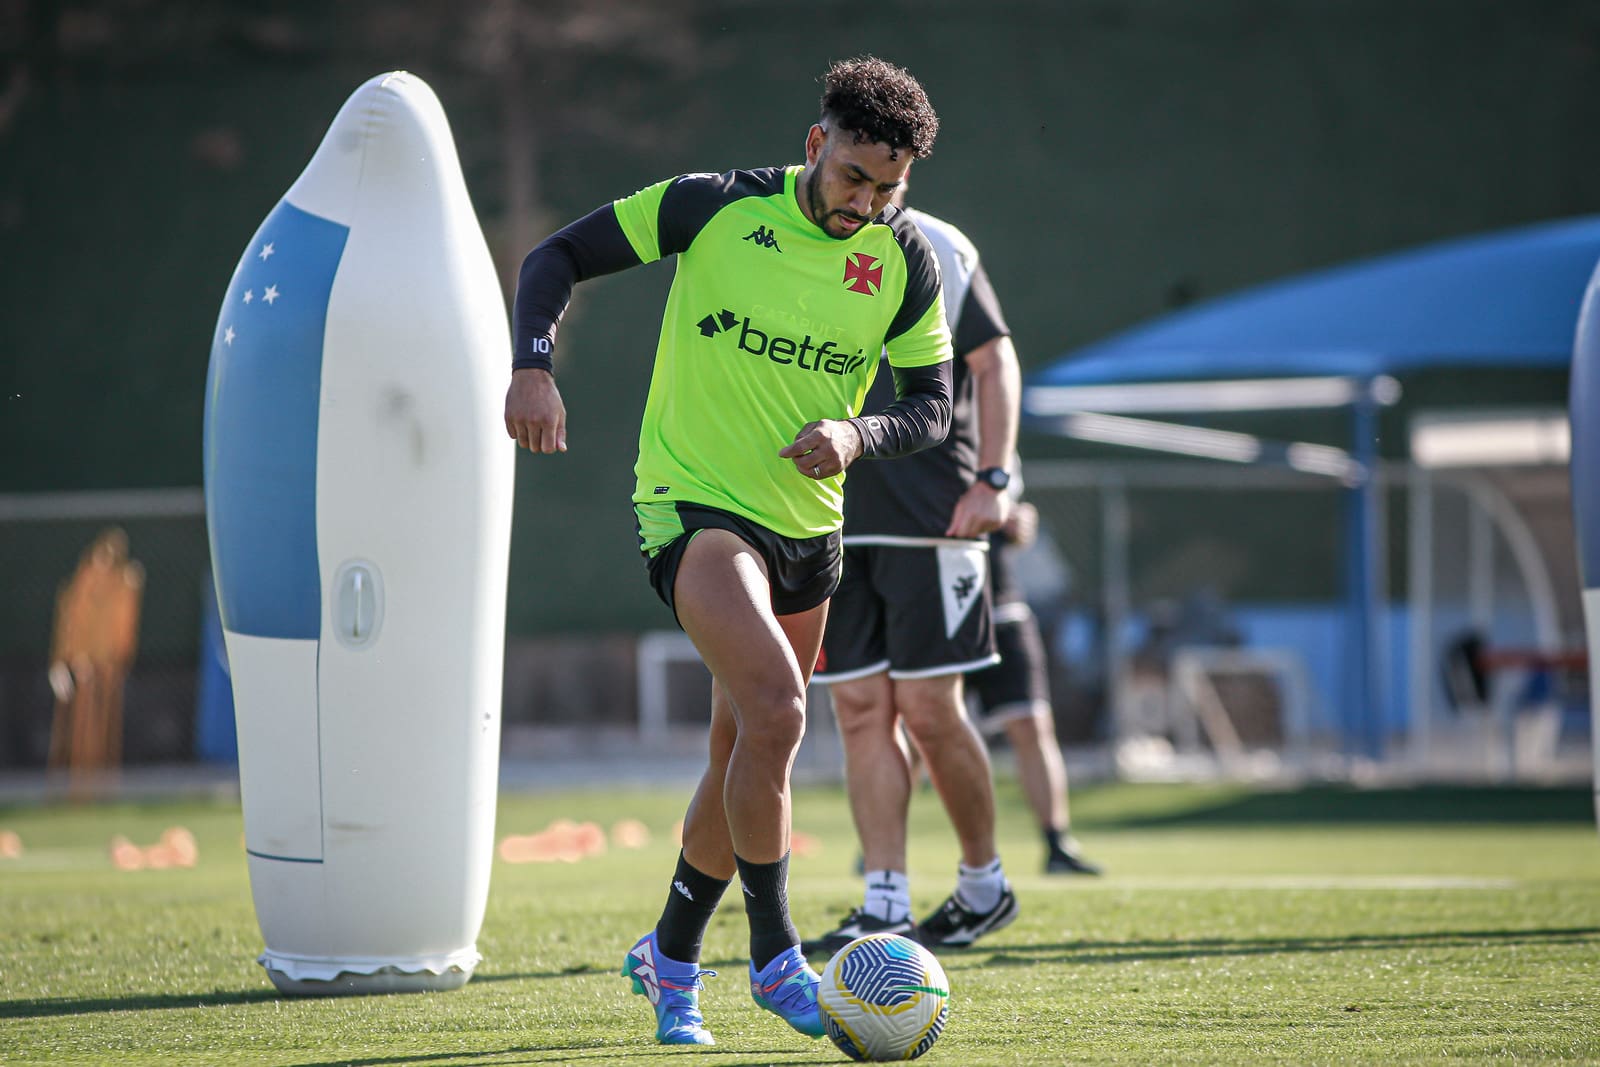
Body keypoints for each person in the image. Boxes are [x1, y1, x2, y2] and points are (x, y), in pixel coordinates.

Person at [503, 57, 950, 1048]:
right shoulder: (710, 206)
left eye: (888, 186)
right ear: (813, 145)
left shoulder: (906, 262)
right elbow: (554, 258)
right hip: (694, 507)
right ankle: (774, 951)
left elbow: (930, 406)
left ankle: (669, 953)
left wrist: (855, 435)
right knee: (781, 710)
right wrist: (532, 368)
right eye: (851, 177)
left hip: (811, 526)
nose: (864, 202)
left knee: (740, 744)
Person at [805, 189, 1021, 957]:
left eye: (886, 177)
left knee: (929, 708)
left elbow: (994, 362)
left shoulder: (937, 242)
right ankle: (884, 900)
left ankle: (983, 884)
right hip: (826, 511)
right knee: (860, 708)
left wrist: (993, 479)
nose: (867, 191)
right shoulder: (783, 235)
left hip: (933, 511)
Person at [965, 486, 1102, 875]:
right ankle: (882, 848)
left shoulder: (1002, 444)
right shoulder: (925, 425)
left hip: (1004, 607)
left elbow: (1017, 516)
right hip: (941, 608)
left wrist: (1021, 520)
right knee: (925, 731)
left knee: (1033, 724)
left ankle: (1057, 844)